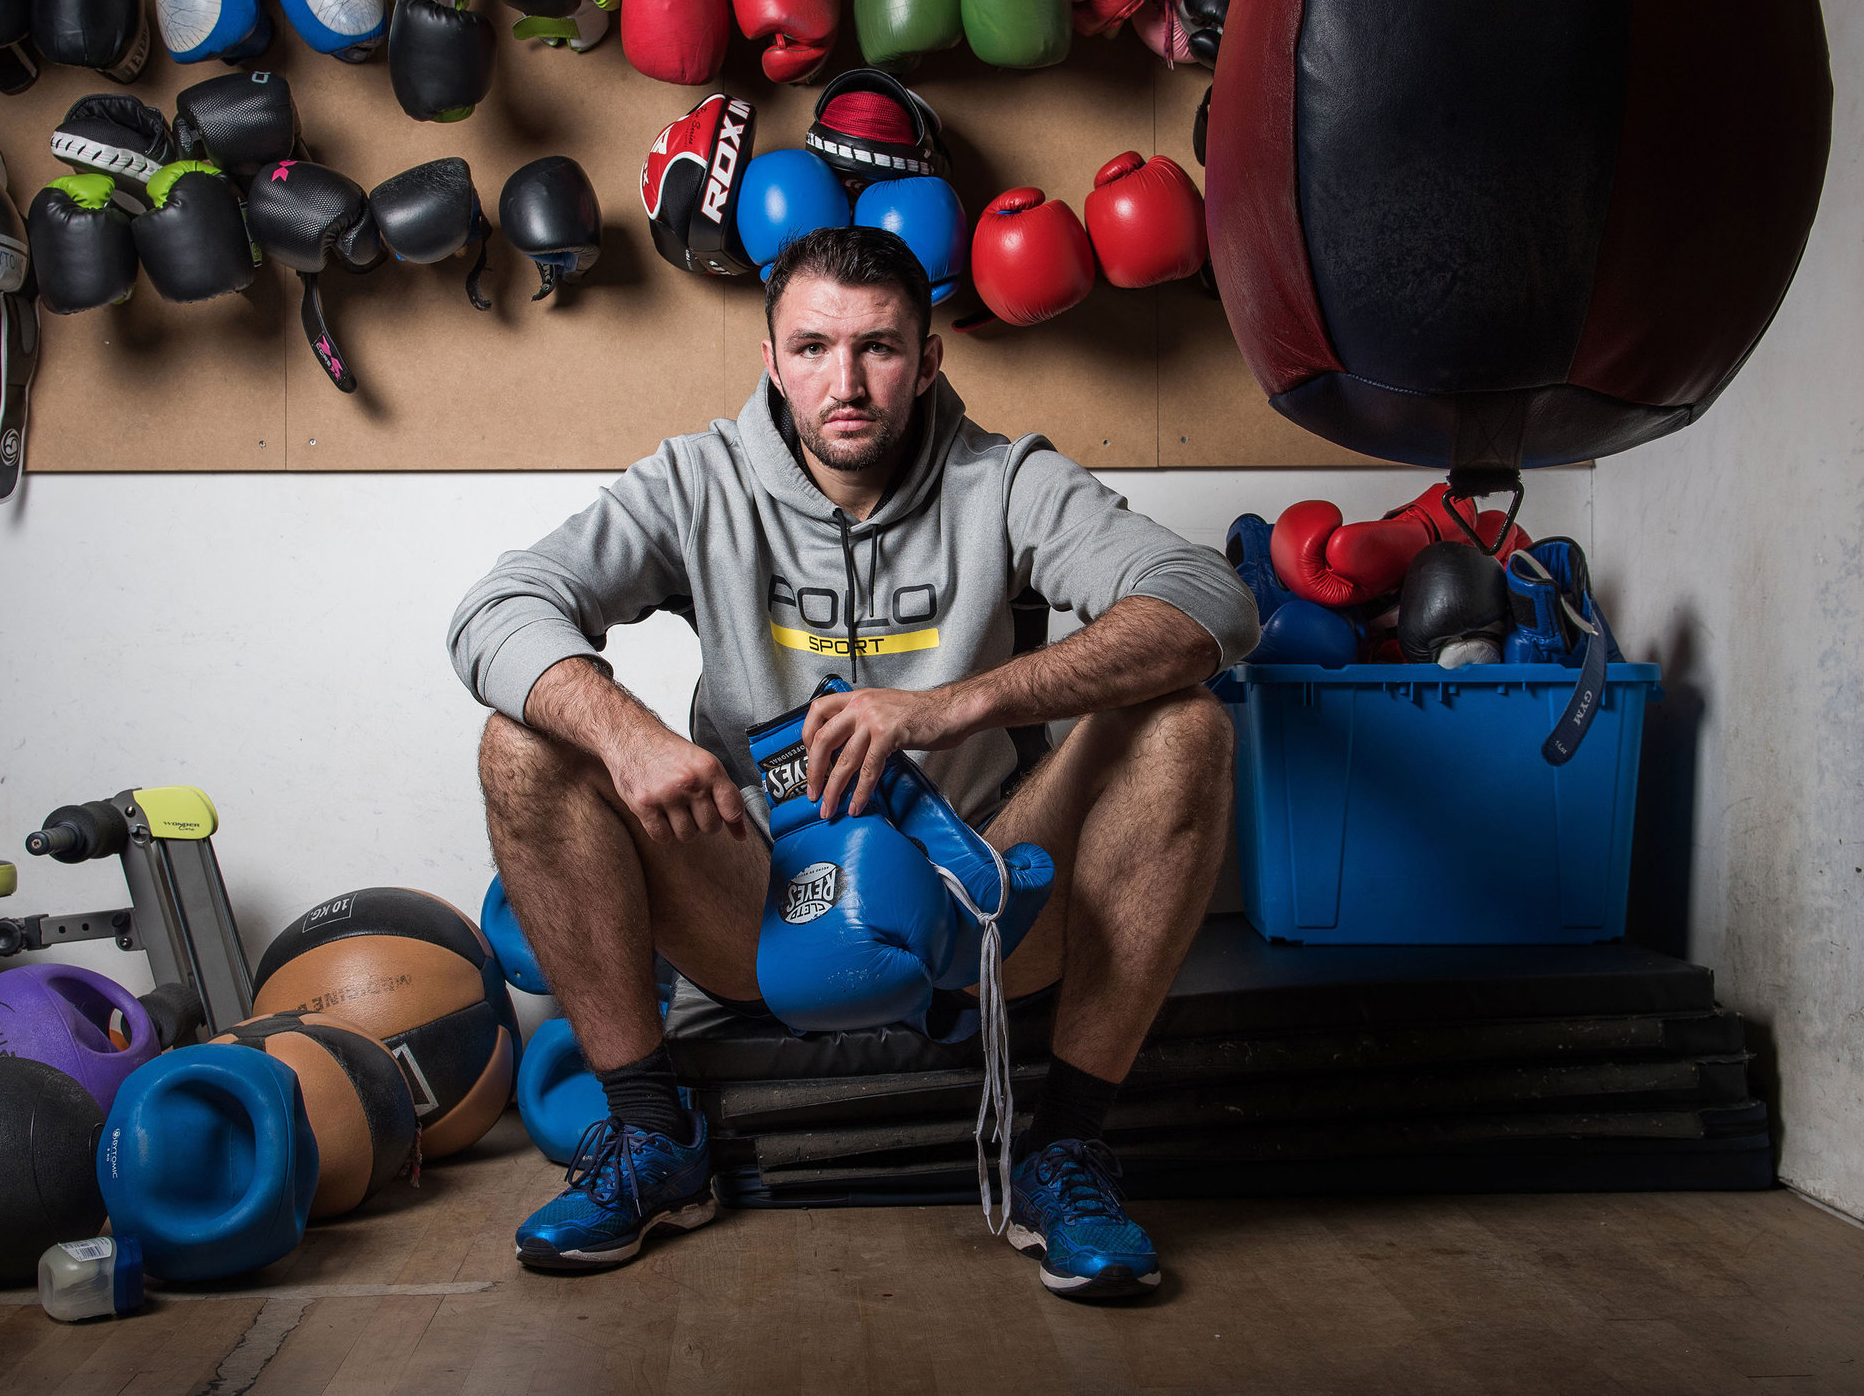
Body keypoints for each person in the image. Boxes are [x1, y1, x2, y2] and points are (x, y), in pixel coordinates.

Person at [448, 225, 1258, 1300]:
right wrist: (627, 734)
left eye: (878, 347)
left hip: (980, 897)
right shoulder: (698, 481)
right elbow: (494, 609)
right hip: (763, 898)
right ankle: (652, 1141)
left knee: (1184, 722)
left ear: (927, 360)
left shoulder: (1005, 478)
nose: (846, 382)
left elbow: (1211, 601)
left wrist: (949, 704)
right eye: (815, 347)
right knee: (523, 741)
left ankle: (1061, 1154)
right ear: (772, 360)